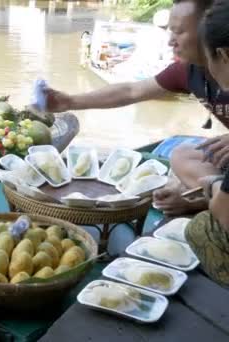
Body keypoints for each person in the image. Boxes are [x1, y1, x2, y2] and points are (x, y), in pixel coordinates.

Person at [45, 0, 226, 216]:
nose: (170, 41)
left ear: (208, 29)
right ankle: (211, 198)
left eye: (178, 32)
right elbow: (131, 91)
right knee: (182, 155)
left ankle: (215, 201)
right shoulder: (188, 70)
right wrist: (69, 102)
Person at [184, 0, 229, 287]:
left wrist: (211, 186)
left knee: (201, 228)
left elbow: (224, 215)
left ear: (223, 55)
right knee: (184, 155)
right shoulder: (185, 73)